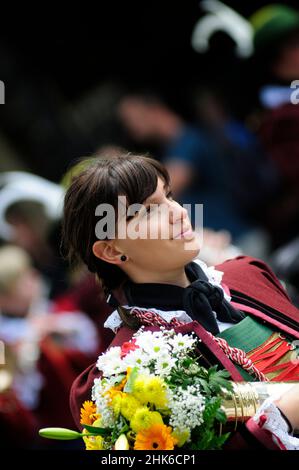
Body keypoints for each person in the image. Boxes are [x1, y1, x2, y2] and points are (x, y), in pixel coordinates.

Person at [62, 153, 299, 450]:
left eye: (169, 196)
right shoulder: (126, 373)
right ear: (111, 250)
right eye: (149, 211)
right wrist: (286, 408)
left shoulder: (246, 275)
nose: (177, 212)